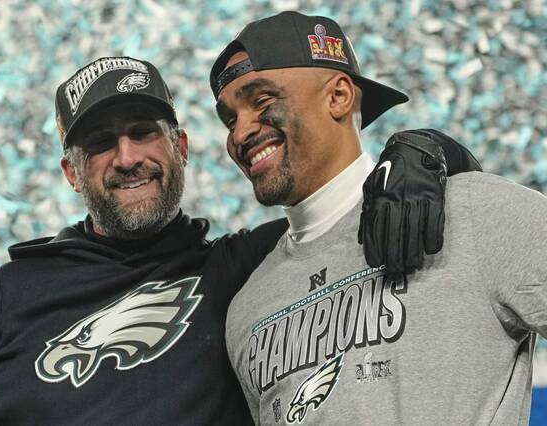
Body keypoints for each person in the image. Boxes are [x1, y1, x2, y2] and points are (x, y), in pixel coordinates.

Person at [0, 54, 475, 423]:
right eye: (101, 143)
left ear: (180, 146)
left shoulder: (253, 268)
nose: (127, 157)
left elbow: (383, 207)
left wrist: (425, 152)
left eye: (142, 133)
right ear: (71, 172)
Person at [210, 11, 547, 425]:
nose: (240, 133)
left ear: (338, 96)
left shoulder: (473, 211)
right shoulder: (246, 308)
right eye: (229, 118)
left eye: (261, 101)